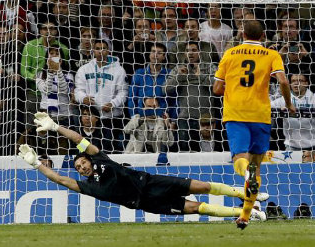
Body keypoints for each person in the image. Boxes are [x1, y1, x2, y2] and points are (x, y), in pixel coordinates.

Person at [18, 112, 268, 221]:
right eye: (78, 166)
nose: (81, 167)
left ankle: (247, 194)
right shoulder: (87, 186)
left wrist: (55, 127)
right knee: (197, 208)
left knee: (202, 186)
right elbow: (61, 180)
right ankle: (247, 213)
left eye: (82, 162)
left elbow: (79, 139)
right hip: (148, 202)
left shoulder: (101, 159)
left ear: (89, 160)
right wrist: (38, 164)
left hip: (150, 181)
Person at [213, 20, 295, 229]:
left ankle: (246, 197)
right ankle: (245, 216)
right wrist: (288, 104)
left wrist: (233, 90)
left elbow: (216, 88)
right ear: (263, 35)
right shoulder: (271, 55)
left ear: (242, 34)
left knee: (241, 160)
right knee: (256, 166)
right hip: (260, 115)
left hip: (236, 114)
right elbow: (284, 81)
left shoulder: (230, 54)